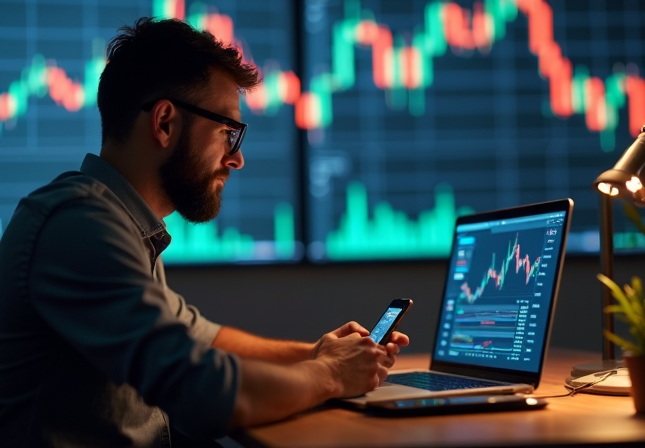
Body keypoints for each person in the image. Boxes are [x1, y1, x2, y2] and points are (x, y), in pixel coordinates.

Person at [0, 17, 409, 447]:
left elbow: (204, 339)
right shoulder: (79, 225)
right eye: (227, 132)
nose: (237, 159)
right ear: (164, 123)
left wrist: (315, 353)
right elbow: (204, 391)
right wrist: (329, 375)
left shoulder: (116, 220)